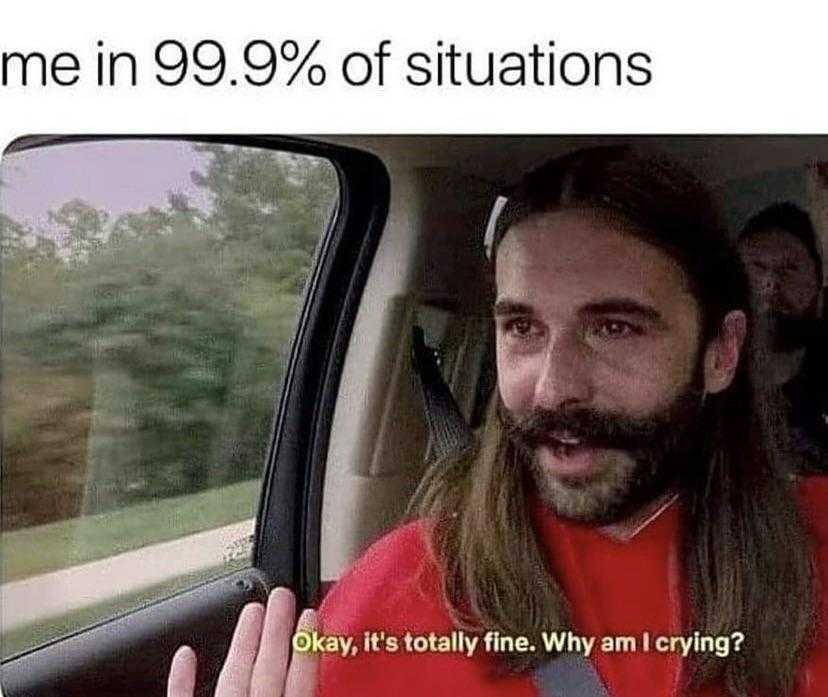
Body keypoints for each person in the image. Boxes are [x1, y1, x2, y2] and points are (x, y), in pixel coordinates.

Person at [167, 147, 828, 697]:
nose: (553, 386)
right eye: (522, 327)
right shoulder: (400, 591)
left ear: (721, 353)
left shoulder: (815, 543)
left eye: (615, 327)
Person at [737, 202, 828, 473]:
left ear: (817, 279)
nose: (769, 284)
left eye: (789, 268)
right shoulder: (703, 369)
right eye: (756, 266)